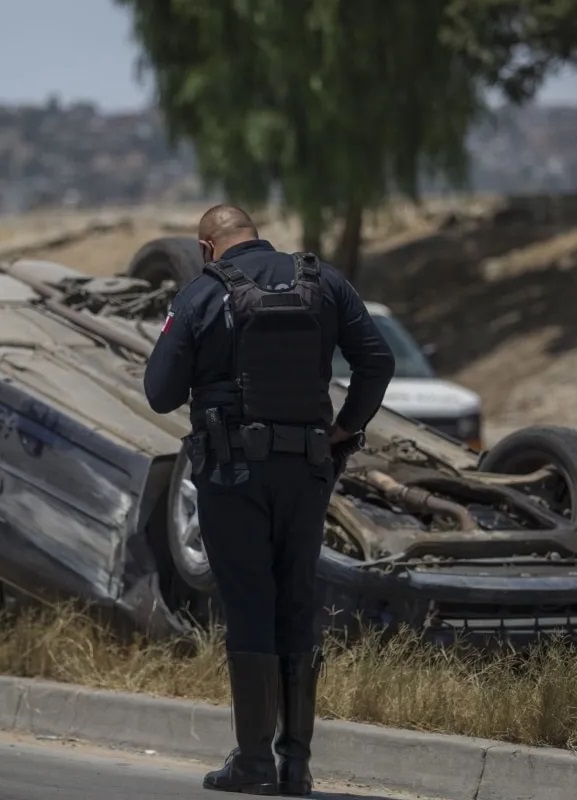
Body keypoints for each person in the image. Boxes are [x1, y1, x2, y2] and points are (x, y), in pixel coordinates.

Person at [143, 204, 395, 795]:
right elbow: (376, 361)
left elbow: (159, 393)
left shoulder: (202, 294)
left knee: (250, 604)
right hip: (308, 471)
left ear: (209, 247)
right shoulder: (324, 281)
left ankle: (254, 761)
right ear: (256, 235)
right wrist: (346, 429)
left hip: (232, 476)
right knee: (296, 602)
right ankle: (297, 766)